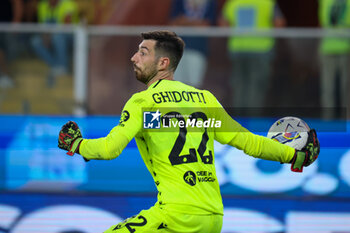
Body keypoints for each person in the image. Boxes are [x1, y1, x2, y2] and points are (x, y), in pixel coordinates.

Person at [57, 30, 320, 233]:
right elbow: (248, 141)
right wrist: (295, 156)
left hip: (175, 216)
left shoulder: (142, 103)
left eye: (143, 52)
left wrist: (76, 144)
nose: (133, 57)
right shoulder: (204, 99)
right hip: (212, 218)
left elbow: (108, 149)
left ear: (163, 63)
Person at [220, 0, 286, 115]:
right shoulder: (267, 3)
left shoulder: (234, 3)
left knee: (239, 85)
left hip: (238, 49)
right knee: (257, 85)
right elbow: (279, 23)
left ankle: (239, 119)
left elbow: (223, 23)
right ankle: (252, 119)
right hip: (261, 49)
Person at [169, 0, 217, 88]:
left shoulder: (210, 2)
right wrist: (196, 24)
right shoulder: (179, 2)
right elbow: (175, 22)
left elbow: (206, 25)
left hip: (198, 49)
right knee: (176, 85)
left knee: (194, 86)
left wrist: (185, 22)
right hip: (178, 50)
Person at [31, 0, 79, 87]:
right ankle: (56, 66)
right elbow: (42, 27)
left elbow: (67, 25)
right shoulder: (42, 6)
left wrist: (50, 36)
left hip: (70, 36)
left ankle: (62, 66)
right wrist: (45, 37)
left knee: (58, 37)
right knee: (36, 42)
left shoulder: (68, 4)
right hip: (51, 36)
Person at [319, 0, 350, 119]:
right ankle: (331, 119)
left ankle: (341, 119)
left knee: (341, 88)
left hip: (344, 50)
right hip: (330, 48)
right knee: (331, 88)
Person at [0, 0, 24, 89]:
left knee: (8, 52)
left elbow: (17, 3)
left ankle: (6, 75)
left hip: (7, 27)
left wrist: (16, 22)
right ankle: (4, 75)